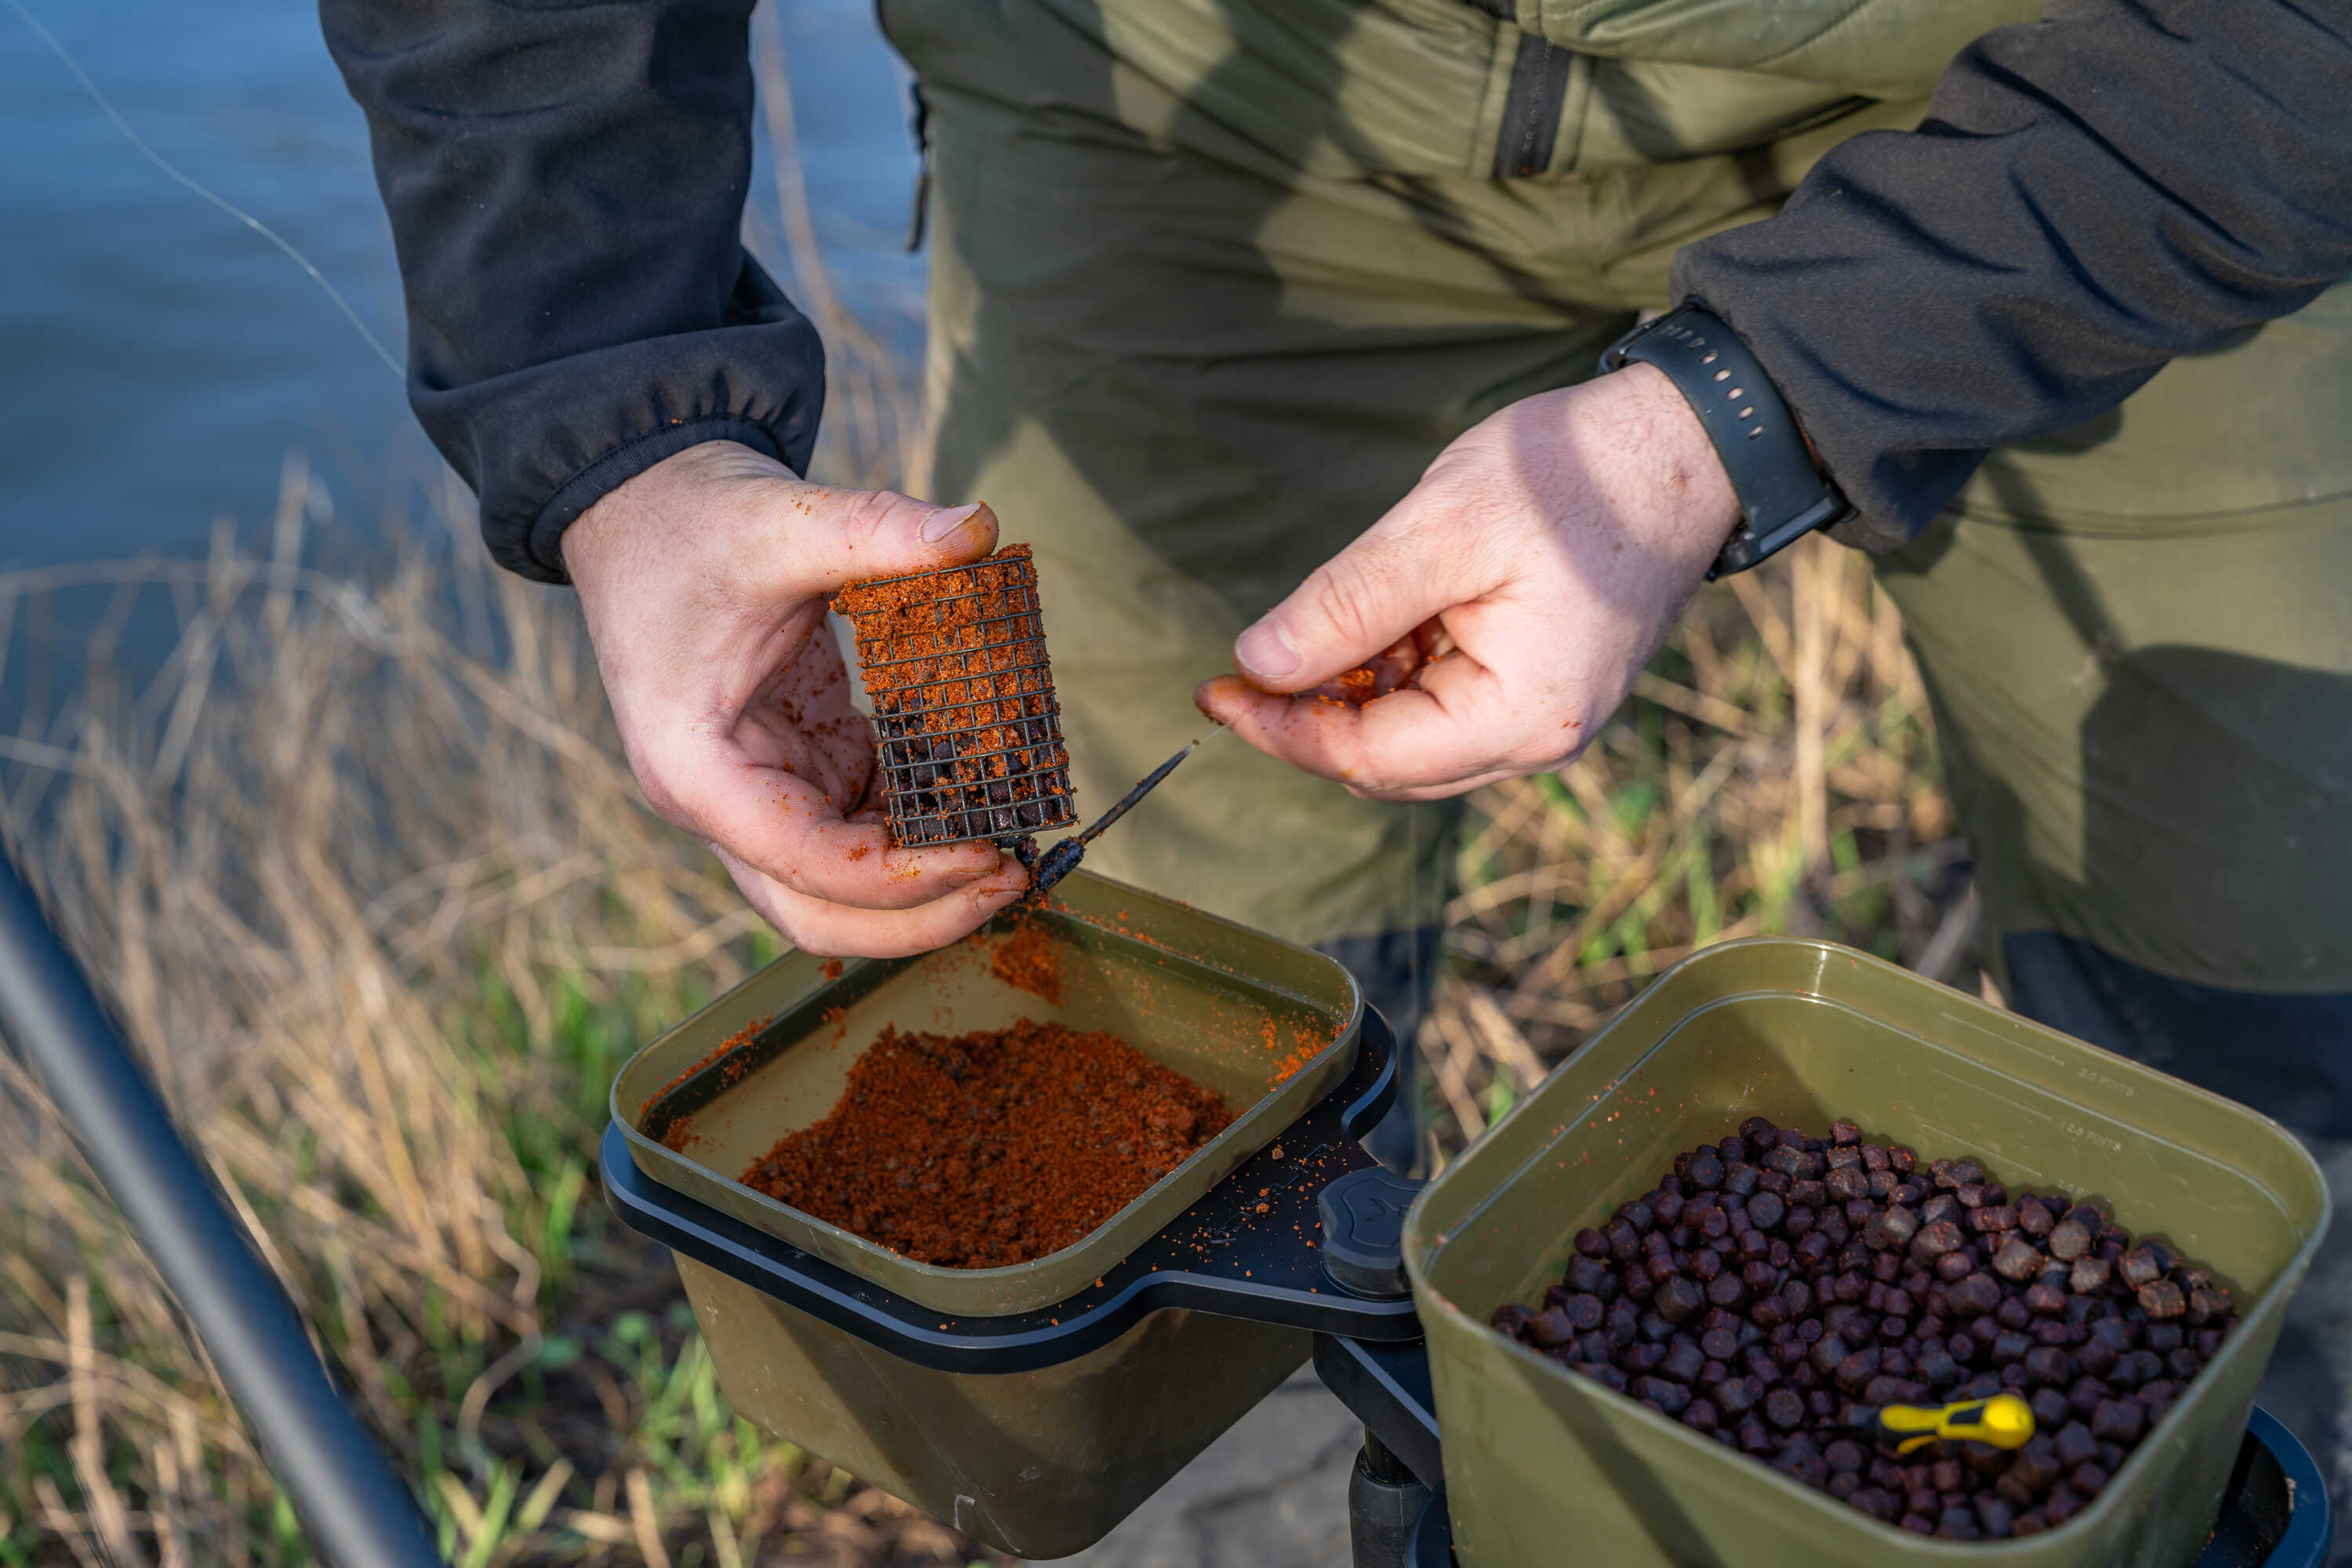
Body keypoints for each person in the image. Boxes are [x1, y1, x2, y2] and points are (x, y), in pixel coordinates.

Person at [323, 0, 2352, 1544]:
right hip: (1161, 104)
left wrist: (1725, 421)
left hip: (2119, 109)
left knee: (2261, 1007)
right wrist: (618, 426)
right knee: (1114, 1071)